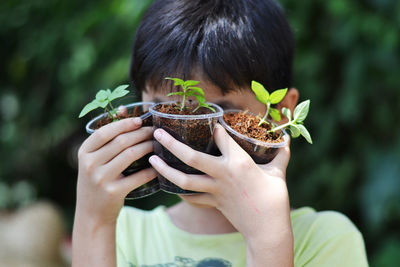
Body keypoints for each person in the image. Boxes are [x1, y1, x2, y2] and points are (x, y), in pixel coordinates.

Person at [72, 0, 369, 266]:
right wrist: (93, 219)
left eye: (214, 112)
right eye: (163, 110)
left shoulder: (325, 240)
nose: (182, 138)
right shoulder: (122, 233)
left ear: (280, 115)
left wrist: (268, 240)